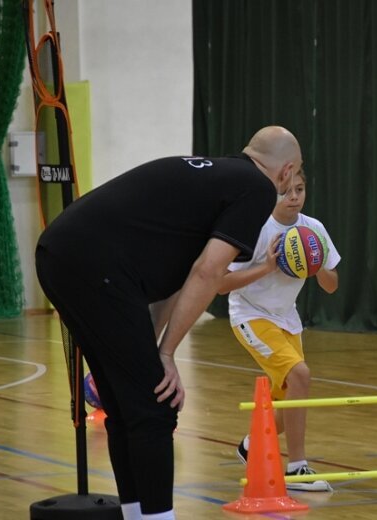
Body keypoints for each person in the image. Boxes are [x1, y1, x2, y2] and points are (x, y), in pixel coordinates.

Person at [35, 126, 302, 520]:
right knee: (157, 406)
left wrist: (157, 349)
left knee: (128, 406)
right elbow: (207, 273)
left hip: (60, 254)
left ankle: (137, 514)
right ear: (287, 170)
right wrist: (167, 354)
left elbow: (179, 280)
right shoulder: (256, 189)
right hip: (94, 264)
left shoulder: (218, 179)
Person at [218, 168, 341, 492]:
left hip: (288, 319)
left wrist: (316, 268)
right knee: (301, 376)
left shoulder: (313, 229)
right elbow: (220, 284)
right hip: (251, 315)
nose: (295, 197)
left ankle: (250, 446)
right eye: (287, 191)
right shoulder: (256, 229)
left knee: (288, 406)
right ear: (272, 193)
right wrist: (268, 267)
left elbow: (332, 285)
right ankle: (297, 468)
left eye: (300, 190)